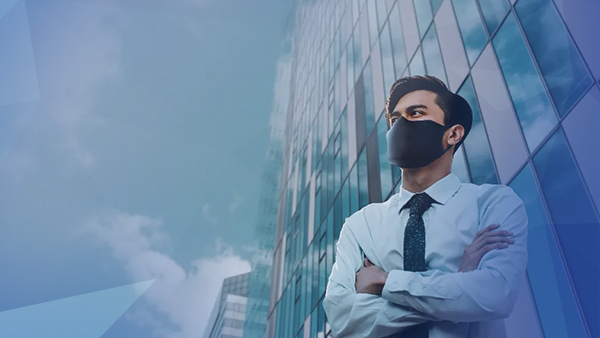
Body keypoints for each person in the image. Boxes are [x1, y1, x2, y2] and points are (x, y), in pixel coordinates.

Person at [322, 75, 528, 338]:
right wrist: (458, 284)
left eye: (415, 113)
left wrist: (387, 282)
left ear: (453, 133)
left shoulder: (493, 204)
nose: (401, 126)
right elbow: (343, 318)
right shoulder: (361, 225)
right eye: (395, 120)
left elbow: (496, 295)